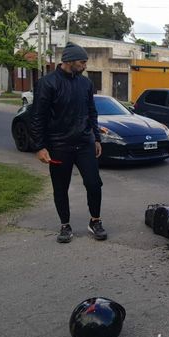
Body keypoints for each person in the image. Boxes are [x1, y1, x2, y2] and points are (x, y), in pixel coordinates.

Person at [31, 42, 107, 243]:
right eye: (82, 62)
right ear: (69, 61)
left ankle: (95, 221)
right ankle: (65, 225)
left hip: (84, 143)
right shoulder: (47, 83)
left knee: (94, 184)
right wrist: (39, 146)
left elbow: (92, 111)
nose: (85, 66)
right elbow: (37, 117)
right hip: (59, 145)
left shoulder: (86, 84)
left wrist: (96, 137)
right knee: (60, 187)